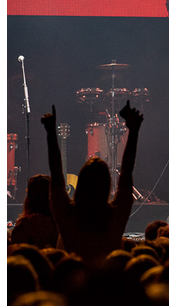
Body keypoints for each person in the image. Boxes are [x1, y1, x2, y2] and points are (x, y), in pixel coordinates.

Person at [41, 101, 143, 265]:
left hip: (72, 287)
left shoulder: (67, 217)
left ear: (81, 184)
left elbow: (56, 175)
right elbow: (126, 173)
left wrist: (51, 134)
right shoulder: (115, 217)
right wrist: (134, 131)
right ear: (107, 185)